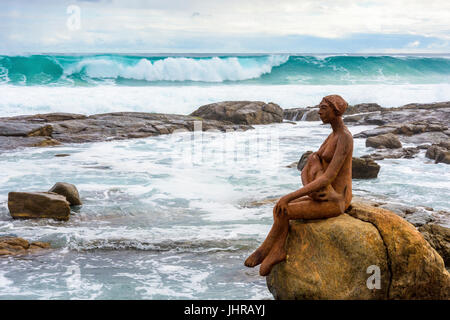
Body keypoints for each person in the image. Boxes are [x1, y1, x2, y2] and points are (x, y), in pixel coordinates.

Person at [244, 94, 353, 276]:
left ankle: (266, 251)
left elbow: (328, 177)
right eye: (319, 108)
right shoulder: (332, 135)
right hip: (324, 193)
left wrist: (290, 196)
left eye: (323, 108)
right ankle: (276, 249)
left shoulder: (344, 138)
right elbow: (313, 162)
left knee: (285, 207)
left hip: (336, 199)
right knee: (279, 208)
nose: (319, 112)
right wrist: (308, 188)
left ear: (336, 111)